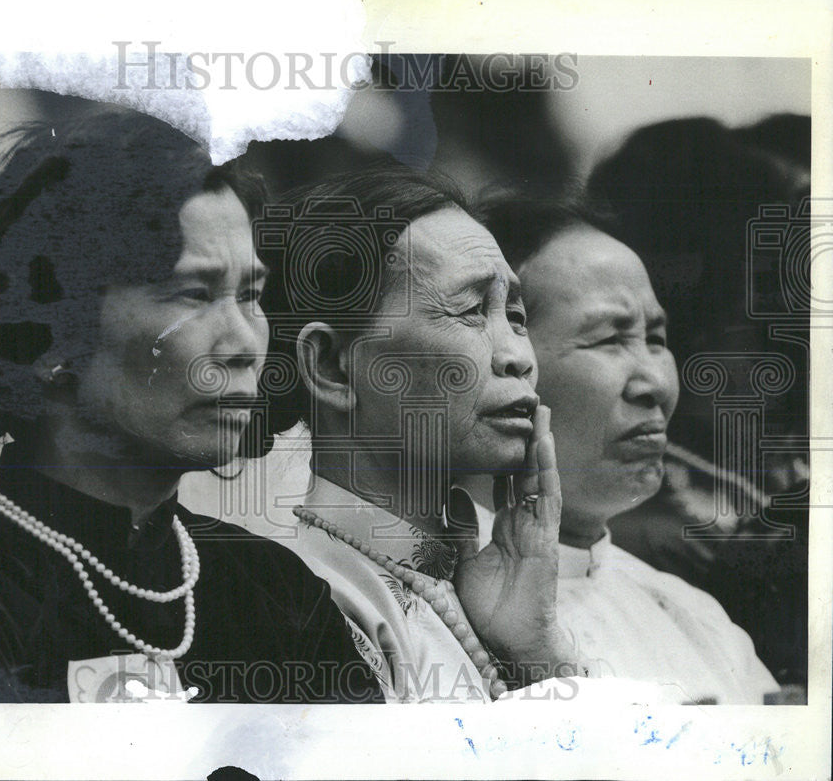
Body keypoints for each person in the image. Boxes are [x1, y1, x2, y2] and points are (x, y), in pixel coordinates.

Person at [0, 110, 382, 704]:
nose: (244, 343)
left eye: (251, 295)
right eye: (195, 293)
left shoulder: (277, 591)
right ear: (46, 336)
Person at [252, 166, 589, 703]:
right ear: (336, 368)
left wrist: (536, 652)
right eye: (471, 311)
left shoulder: (504, 585)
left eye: (517, 315)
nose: (519, 357)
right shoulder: (301, 602)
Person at [475, 193, 779, 704]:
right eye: (609, 340)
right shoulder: (423, 614)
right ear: (506, 361)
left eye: (656, 338)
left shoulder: (690, 616)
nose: (655, 383)